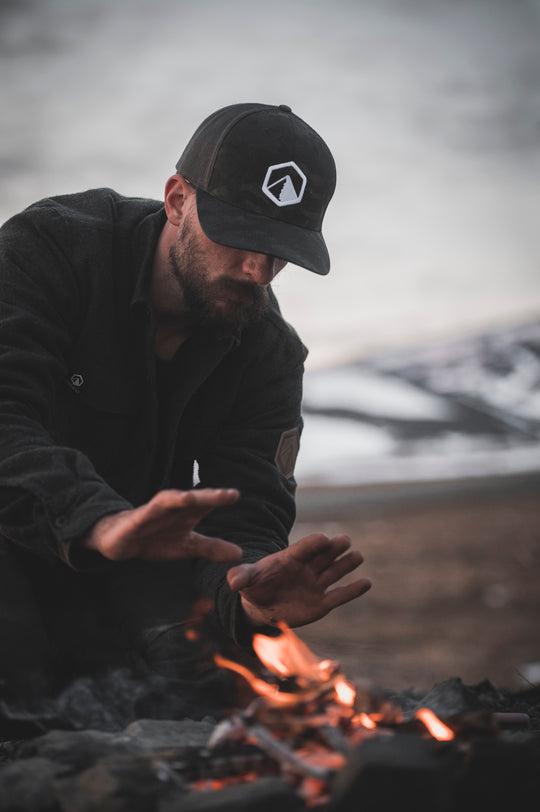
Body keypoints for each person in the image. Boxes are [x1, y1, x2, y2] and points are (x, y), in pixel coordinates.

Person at [0, 102, 371, 727]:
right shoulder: (49, 250)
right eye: (242, 236)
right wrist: (98, 521)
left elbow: (250, 504)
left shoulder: (269, 350)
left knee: (208, 703)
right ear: (177, 201)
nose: (259, 270)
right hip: (17, 538)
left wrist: (252, 596)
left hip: (129, 565)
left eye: (281, 249)